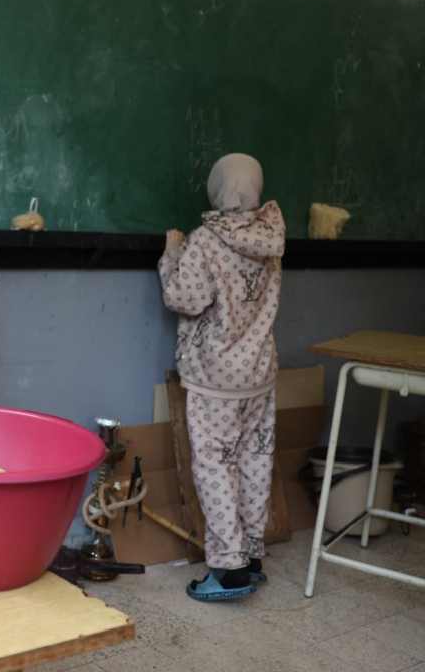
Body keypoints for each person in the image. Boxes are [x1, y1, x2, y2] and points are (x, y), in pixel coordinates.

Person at [158, 153, 285, 602]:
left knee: (214, 466)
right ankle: (251, 557)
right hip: (258, 372)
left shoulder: (206, 241)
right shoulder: (270, 238)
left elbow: (183, 298)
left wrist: (172, 253)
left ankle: (228, 570)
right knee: (255, 460)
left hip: (215, 376)